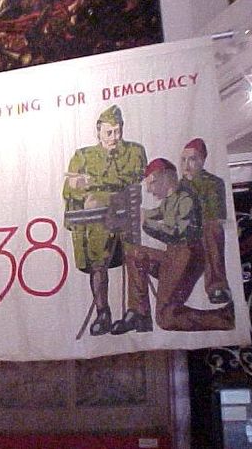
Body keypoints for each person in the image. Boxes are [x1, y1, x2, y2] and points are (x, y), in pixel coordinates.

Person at [111, 158, 235, 334]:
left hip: (186, 258)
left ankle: (225, 318)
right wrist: (135, 215)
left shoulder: (186, 198)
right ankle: (139, 313)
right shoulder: (170, 200)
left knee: (166, 318)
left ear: (165, 179)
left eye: (152, 183)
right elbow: (155, 213)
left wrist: (146, 222)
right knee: (135, 253)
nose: (149, 189)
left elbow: (177, 232)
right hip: (174, 257)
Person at [62, 105, 147, 336]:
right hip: (97, 222)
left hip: (126, 214)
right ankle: (103, 313)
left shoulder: (135, 151)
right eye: (108, 132)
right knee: (98, 265)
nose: (114, 137)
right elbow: (70, 190)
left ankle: (136, 312)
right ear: (98, 132)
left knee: (135, 259)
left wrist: (94, 186)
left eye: (117, 131)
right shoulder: (83, 155)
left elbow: (135, 177)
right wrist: (81, 188)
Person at [179, 137, 232, 304]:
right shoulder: (178, 186)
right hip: (184, 233)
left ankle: (217, 286)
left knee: (212, 229)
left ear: (202, 161)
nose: (186, 164)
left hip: (202, 232)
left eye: (192, 159)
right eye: (183, 160)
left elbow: (215, 216)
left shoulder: (214, 183)